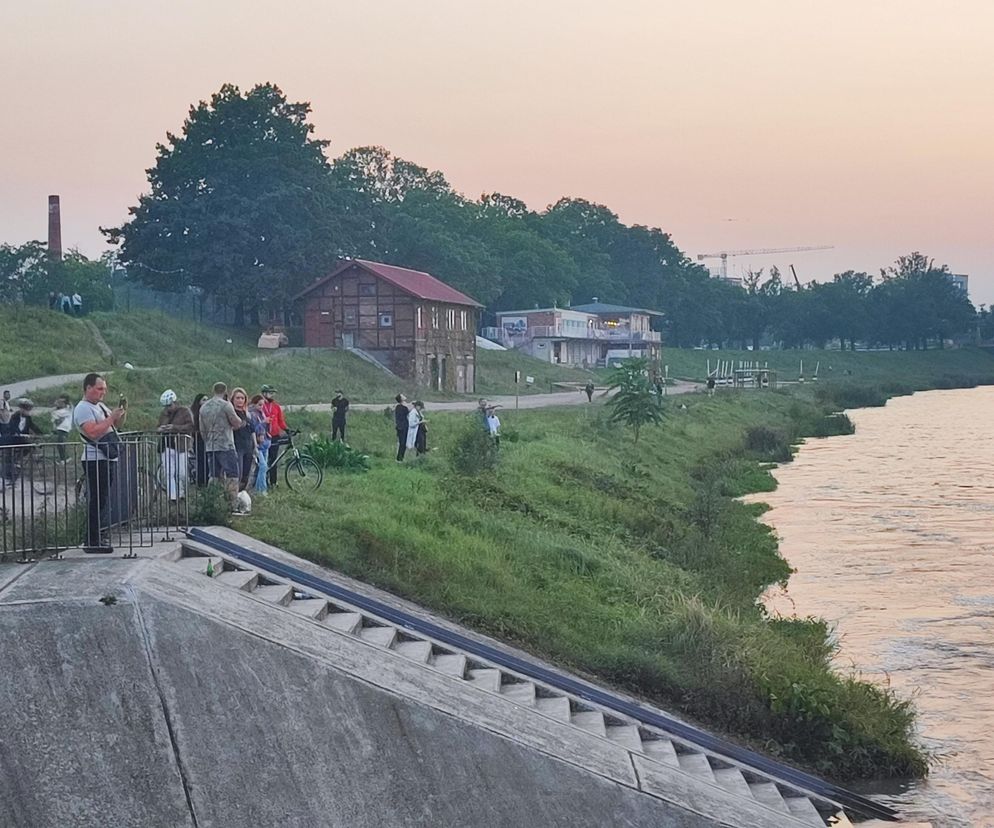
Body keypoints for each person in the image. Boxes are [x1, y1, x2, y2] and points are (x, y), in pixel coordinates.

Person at [73, 373, 126, 553]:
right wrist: (111, 418)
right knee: (97, 499)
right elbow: (93, 432)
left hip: (105, 458)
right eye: (99, 389)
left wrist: (119, 415)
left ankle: (96, 536)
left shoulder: (100, 406)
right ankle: (92, 540)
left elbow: (114, 427)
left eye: (104, 388)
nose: (103, 392)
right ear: (88, 388)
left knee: (102, 500)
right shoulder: (82, 409)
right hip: (94, 459)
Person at [198, 382, 243, 508]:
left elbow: (202, 429)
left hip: (211, 445)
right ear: (225, 391)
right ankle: (231, 503)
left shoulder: (204, 407)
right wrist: (241, 421)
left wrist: (208, 441)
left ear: (213, 390)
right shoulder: (226, 405)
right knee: (232, 474)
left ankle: (211, 503)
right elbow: (236, 423)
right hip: (226, 444)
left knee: (214, 475)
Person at [156, 389, 195, 501]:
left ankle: (181, 493)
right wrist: (160, 429)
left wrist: (175, 428)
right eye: (166, 406)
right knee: (169, 472)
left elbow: (191, 426)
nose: (168, 408)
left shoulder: (185, 411)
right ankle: (172, 496)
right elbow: (158, 426)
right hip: (166, 446)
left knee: (181, 472)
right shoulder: (164, 414)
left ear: (175, 402)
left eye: (170, 405)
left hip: (181, 446)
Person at [230, 387, 258, 492]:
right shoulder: (231, 413)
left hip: (248, 446)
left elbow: (252, 430)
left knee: (246, 475)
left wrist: (255, 446)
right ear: (233, 399)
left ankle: (241, 494)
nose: (240, 400)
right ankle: (234, 496)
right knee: (238, 473)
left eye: (242, 398)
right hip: (237, 446)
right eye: (237, 398)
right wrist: (238, 425)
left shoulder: (247, 414)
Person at [260, 384, 287, 487]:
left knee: (274, 459)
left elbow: (281, 421)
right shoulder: (260, 405)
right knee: (264, 460)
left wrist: (287, 429)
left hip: (275, 435)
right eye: (270, 393)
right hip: (264, 436)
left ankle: (273, 482)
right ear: (264, 394)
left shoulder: (276, 406)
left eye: (272, 393)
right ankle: (263, 481)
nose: (272, 395)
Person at [248, 394, 270, 493]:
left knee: (262, 467)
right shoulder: (252, 414)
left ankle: (258, 487)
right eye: (260, 405)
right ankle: (261, 490)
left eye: (263, 405)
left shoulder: (261, 413)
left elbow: (264, 428)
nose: (262, 407)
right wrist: (263, 422)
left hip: (264, 442)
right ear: (254, 404)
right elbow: (253, 428)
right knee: (263, 466)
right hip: (256, 443)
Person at [190, 393, 209, 485]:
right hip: (199, 440)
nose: (206, 401)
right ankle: (201, 481)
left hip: (206, 439)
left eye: (207, 399)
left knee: (207, 461)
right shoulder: (195, 414)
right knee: (201, 461)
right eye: (204, 400)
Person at [51, 395, 73, 463]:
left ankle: (64, 458)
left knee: (60, 444)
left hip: (64, 429)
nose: (59, 403)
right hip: (58, 428)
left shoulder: (67, 410)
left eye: (61, 402)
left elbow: (57, 414)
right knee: (59, 444)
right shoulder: (58, 410)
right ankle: (63, 458)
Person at [394, 394, 410, 462]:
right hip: (402, 428)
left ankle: (401, 458)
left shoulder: (402, 406)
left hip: (404, 427)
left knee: (404, 443)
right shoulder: (400, 407)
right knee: (402, 443)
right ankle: (399, 459)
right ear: (401, 399)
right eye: (402, 395)